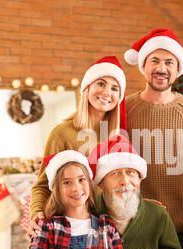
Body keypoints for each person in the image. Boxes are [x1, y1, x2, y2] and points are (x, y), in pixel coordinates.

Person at [123, 28, 183, 249]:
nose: (161, 68)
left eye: (169, 62)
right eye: (154, 61)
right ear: (143, 66)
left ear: (178, 69)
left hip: (182, 231)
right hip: (134, 227)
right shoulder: (124, 109)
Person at [7, 150, 127, 249]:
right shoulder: (48, 226)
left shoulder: (108, 228)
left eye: (81, 180)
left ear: (89, 183)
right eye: (67, 182)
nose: (76, 188)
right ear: (56, 188)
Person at [29, 56, 128, 234]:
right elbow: (42, 185)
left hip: (109, 230)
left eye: (115, 88)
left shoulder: (119, 138)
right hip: (70, 229)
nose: (107, 92)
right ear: (87, 87)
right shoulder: (62, 133)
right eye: (101, 84)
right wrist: (37, 213)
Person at [88, 135, 183, 249]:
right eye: (115, 173)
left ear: (140, 179)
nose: (125, 181)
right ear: (101, 183)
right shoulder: (87, 213)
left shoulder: (158, 214)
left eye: (131, 172)